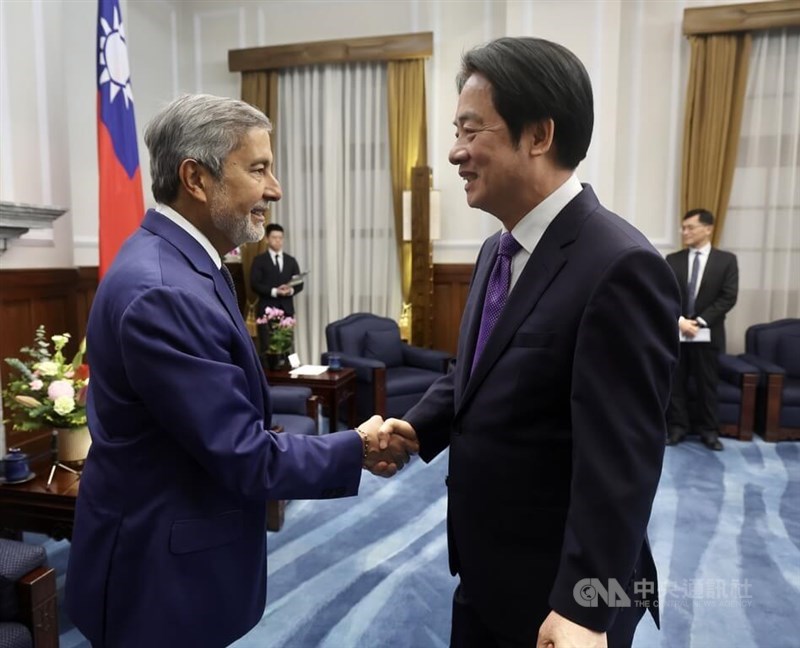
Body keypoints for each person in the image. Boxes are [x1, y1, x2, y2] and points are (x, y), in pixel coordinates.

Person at [64, 94, 413, 648]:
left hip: (174, 551)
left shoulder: (184, 265)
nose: (275, 189)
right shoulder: (163, 290)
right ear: (196, 179)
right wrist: (358, 446)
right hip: (157, 576)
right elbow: (241, 452)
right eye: (258, 169)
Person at [382, 37, 681, 648]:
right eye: (456, 131)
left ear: (539, 135)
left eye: (471, 130)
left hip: (559, 595)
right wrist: (418, 427)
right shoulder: (498, 249)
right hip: (486, 567)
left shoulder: (619, 265)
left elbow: (623, 461)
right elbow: (483, 368)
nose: (455, 151)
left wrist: (586, 608)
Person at [666, 208, 739, 451]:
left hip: (708, 334)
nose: (684, 232)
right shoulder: (673, 260)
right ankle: (677, 428)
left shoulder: (726, 260)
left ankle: (709, 431)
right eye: (683, 227)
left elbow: (728, 297)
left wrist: (700, 321)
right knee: (676, 384)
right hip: (678, 332)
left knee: (707, 385)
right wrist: (680, 321)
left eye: (690, 227)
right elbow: (666, 294)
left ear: (708, 229)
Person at [251, 223, 303, 318]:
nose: (278, 240)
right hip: (266, 310)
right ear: (267, 239)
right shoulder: (259, 260)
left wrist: (290, 290)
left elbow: (299, 283)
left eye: (280, 238)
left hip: (287, 311)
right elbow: (255, 284)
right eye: (274, 237)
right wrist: (275, 291)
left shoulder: (291, 260)